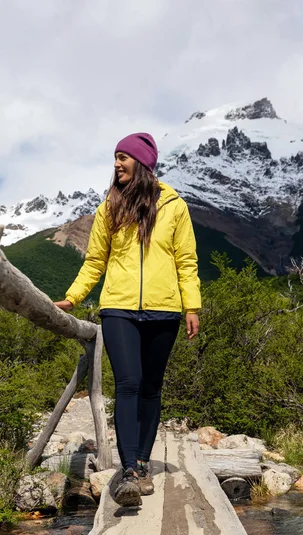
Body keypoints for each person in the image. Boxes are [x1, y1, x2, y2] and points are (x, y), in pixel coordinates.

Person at [55, 132, 201, 507]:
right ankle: (130, 472)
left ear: (143, 163)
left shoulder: (174, 206)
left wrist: (191, 306)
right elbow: (94, 261)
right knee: (130, 384)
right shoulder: (110, 206)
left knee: (152, 387)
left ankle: (141, 462)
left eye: (124, 157)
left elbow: (186, 261)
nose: (117, 164)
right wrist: (73, 297)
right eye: (115, 157)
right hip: (118, 308)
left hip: (165, 309)